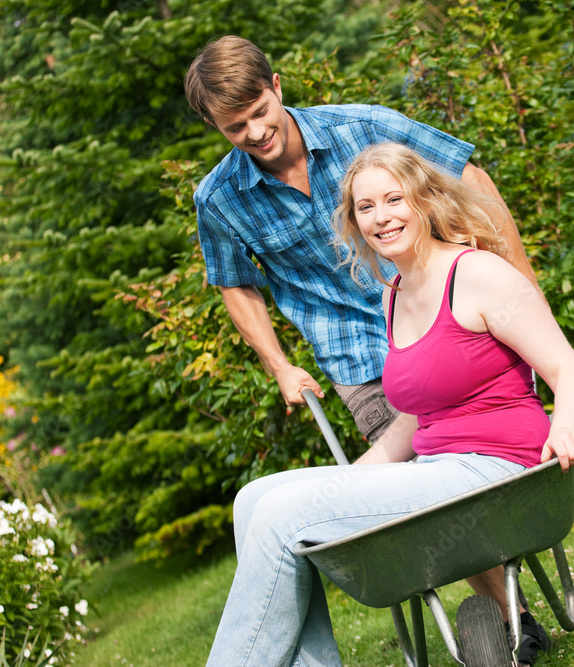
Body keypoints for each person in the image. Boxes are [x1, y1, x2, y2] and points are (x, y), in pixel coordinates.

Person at [184, 35, 550, 659]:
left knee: (444, 484)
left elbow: (471, 178)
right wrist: (279, 364)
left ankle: (505, 617)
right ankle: (509, 615)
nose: (254, 133)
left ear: (276, 86)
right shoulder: (220, 199)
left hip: (444, 327)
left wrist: (521, 294)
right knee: (419, 499)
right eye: (234, 127)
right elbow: (232, 283)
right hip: (360, 363)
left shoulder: (365, 129)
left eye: (258, 113)